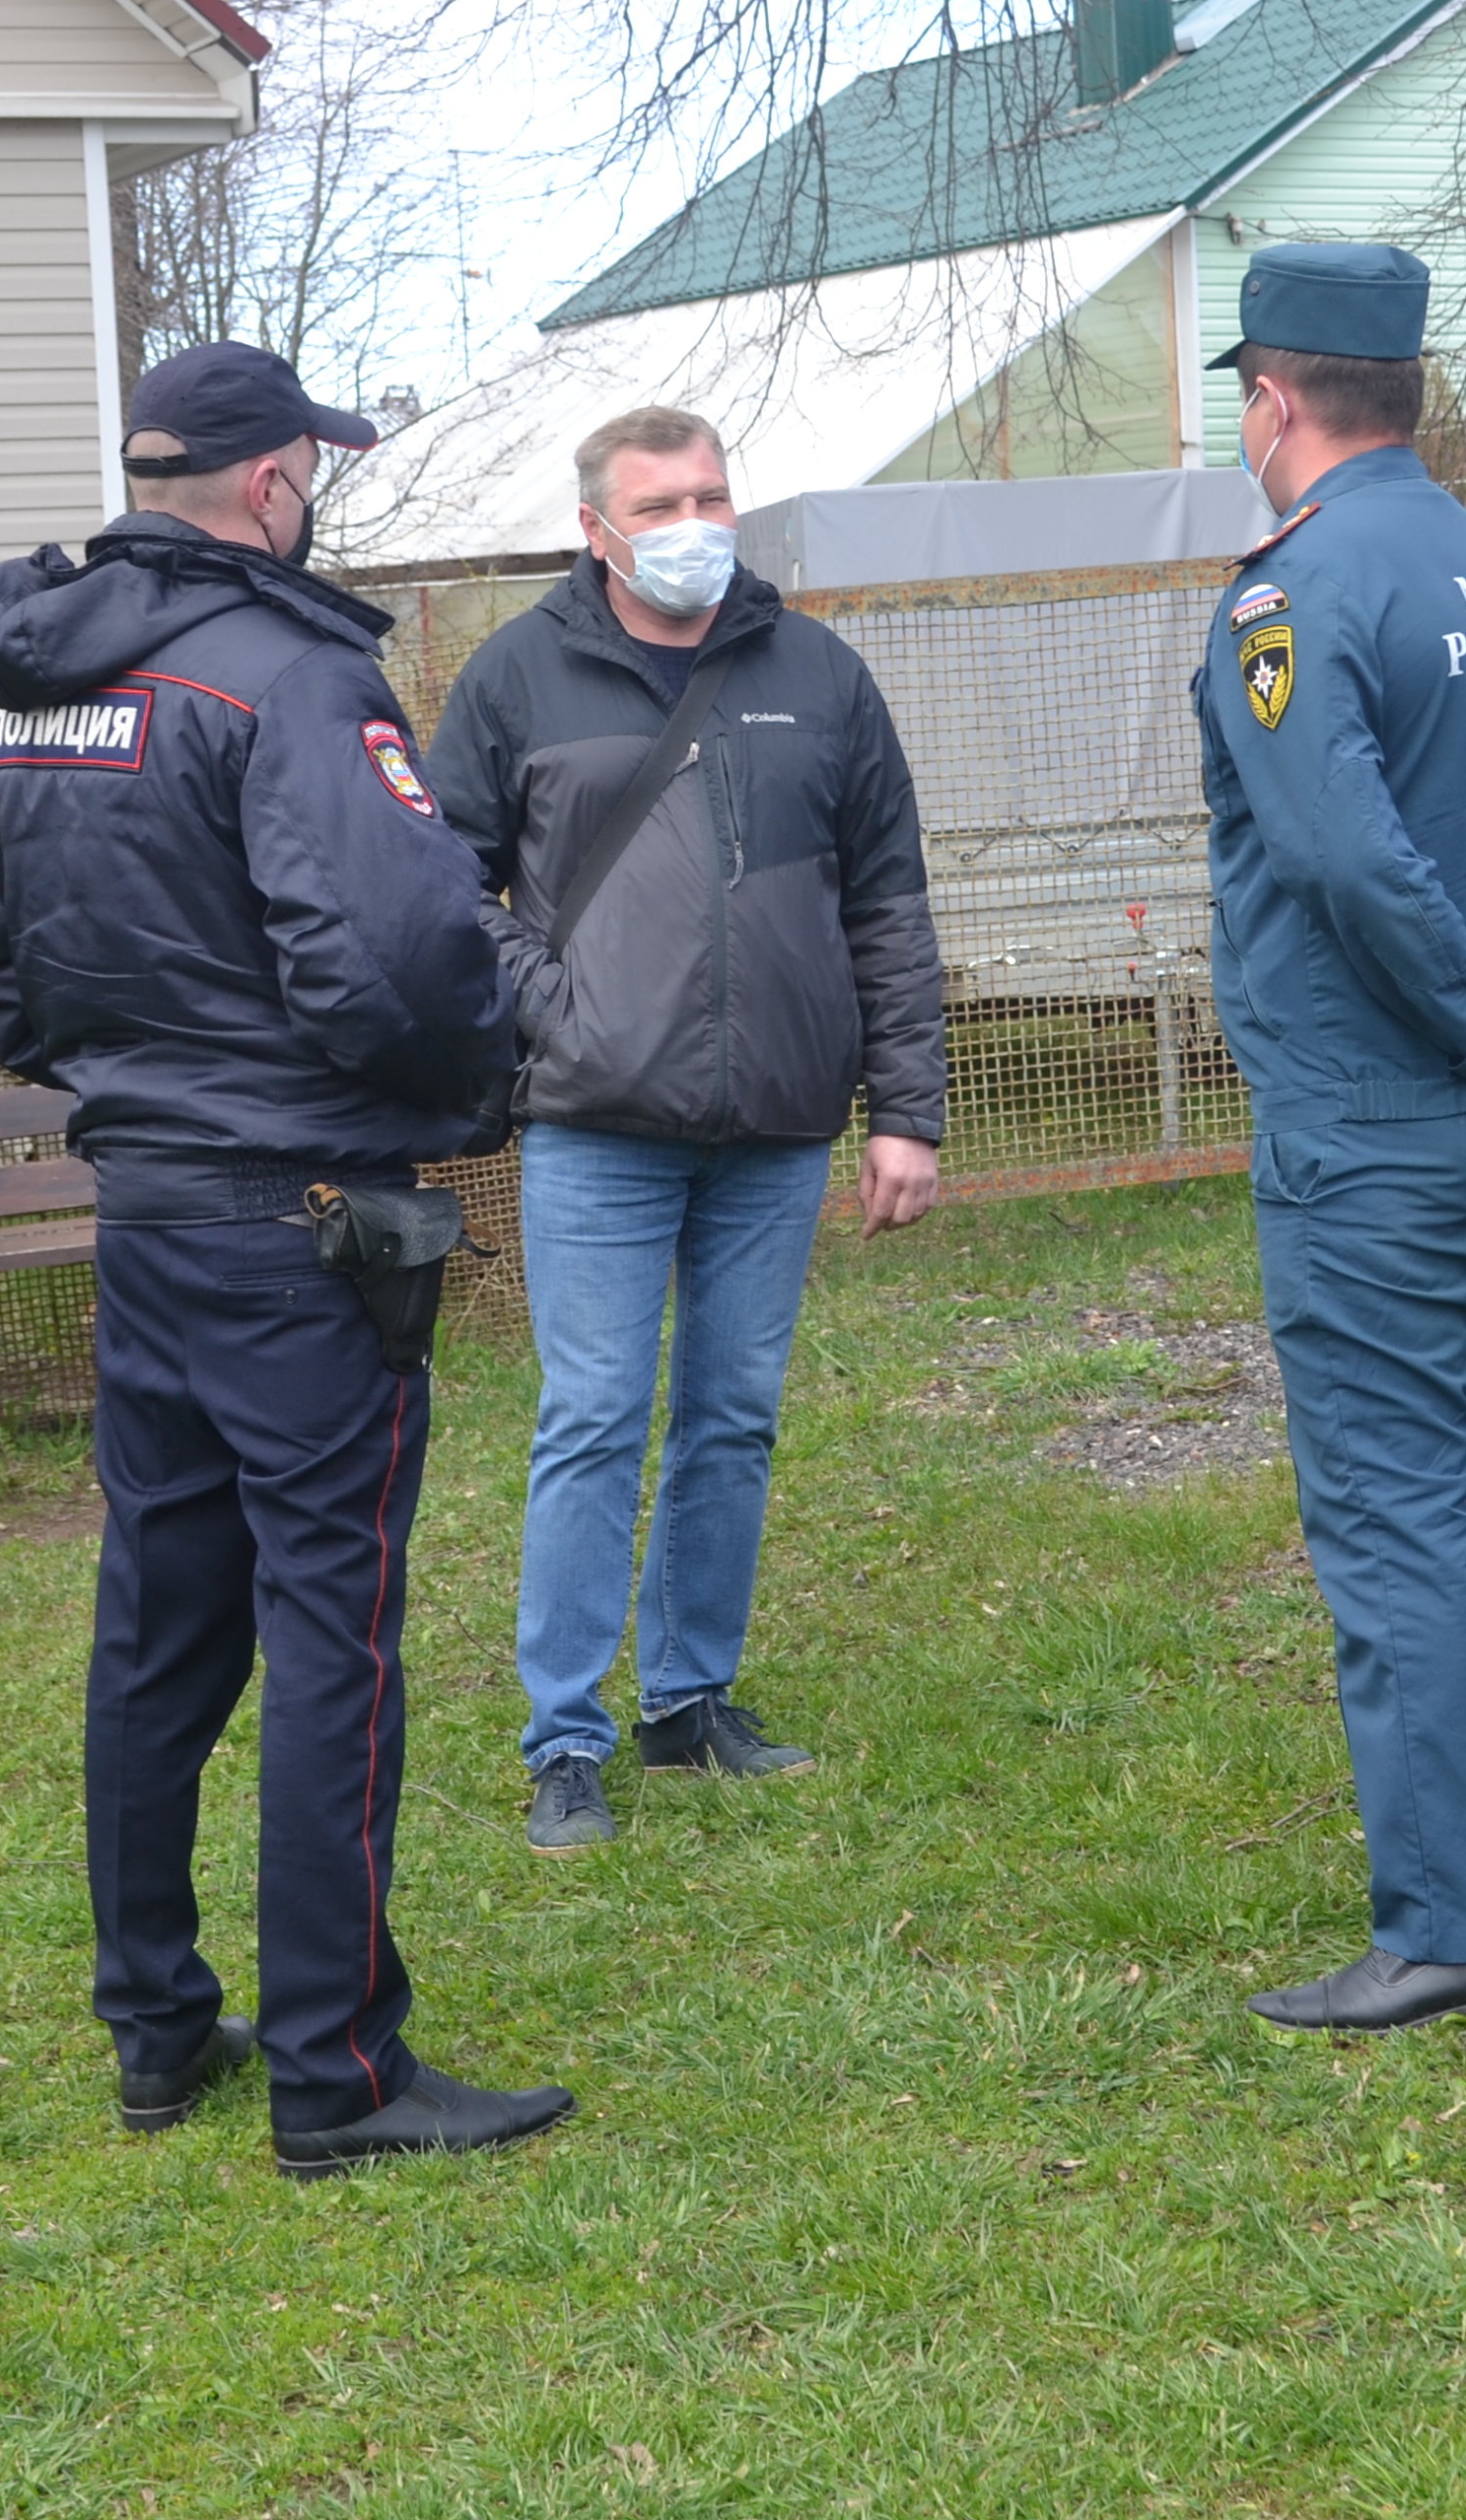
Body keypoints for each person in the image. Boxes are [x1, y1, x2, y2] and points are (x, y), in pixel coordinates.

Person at [0, 338, 572, 2177]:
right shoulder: (292, 675)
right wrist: (471, 1086)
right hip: (295, 1218)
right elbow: (396, 957)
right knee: (328, 1637)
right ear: (276, 482)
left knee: (155, 1622)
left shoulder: (28, 689)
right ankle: (334, 2071)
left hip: (144, 1204)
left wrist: (142, 1083)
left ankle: (152, 2025)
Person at [1189, 242, 1466, 2036]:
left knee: (1397, 1519)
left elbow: (1341, 858)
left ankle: (1460, 1924)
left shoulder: (1282, 601)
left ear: (1275, 398)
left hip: (1379, 1124)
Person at [420, 405, 949, 1858]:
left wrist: (907, 1110)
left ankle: (687, 1699)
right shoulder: (519, 676)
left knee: (732, 1416)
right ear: (596, 528)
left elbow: (889, 908)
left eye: (712, 495)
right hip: (597, 1122)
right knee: (592, 1419)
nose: (692, 523)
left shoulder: (818, 676)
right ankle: (566, 1737)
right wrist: (552, 1003)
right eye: (659, 504)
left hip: (778, 1125)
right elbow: (438, 885)